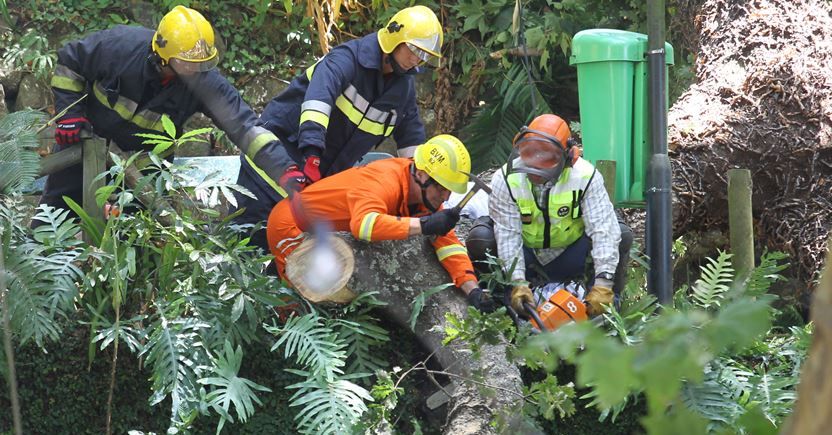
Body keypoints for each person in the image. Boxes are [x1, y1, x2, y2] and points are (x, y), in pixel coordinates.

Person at [44, 6, 289, 218]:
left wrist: (285, 169)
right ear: (162, 56)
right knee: (54, 213)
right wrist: (70, 115)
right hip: (84, 145)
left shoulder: (203, 81)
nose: (196, 70)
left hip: (144, 169)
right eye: (187, 64)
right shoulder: (120, 48)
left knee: (135, 234)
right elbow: (70, 63)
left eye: (202, 64)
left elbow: (245, 126)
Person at [234, 5, 444, 251]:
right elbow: (317, 102)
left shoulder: (403, 90)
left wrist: (426, 191)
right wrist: (311, 154)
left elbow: (412, 144)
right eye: (415, 50)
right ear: (395, 39)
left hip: (316, 182)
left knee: (288, 256)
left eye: (424, 56)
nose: (417, 60)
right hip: (275, 161)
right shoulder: (346, 59)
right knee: (245, 244)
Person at [266, 134, 495, 313]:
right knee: (298, 303)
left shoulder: (425, 196)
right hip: (291, 224)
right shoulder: (383, 180)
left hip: (325, 232)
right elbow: (364, 225)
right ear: (423, 175)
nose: (446, 197)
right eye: (442, 189)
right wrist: (424, 225)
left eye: (449, 191)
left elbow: (449, 244)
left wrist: (472, 288)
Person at [467, 114, 633, 317]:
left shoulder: (585, 177)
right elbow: (507, 234)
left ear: (568, 156)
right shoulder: (505, 179)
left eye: (544, 161)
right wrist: (517, 280)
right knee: (481, 238)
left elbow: (603, 231)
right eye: (530, 157)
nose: (534, 169)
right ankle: (498, 306)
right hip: (528, 255)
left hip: (572, 253)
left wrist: (604, 283)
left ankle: (606, 305)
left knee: (621, 234)